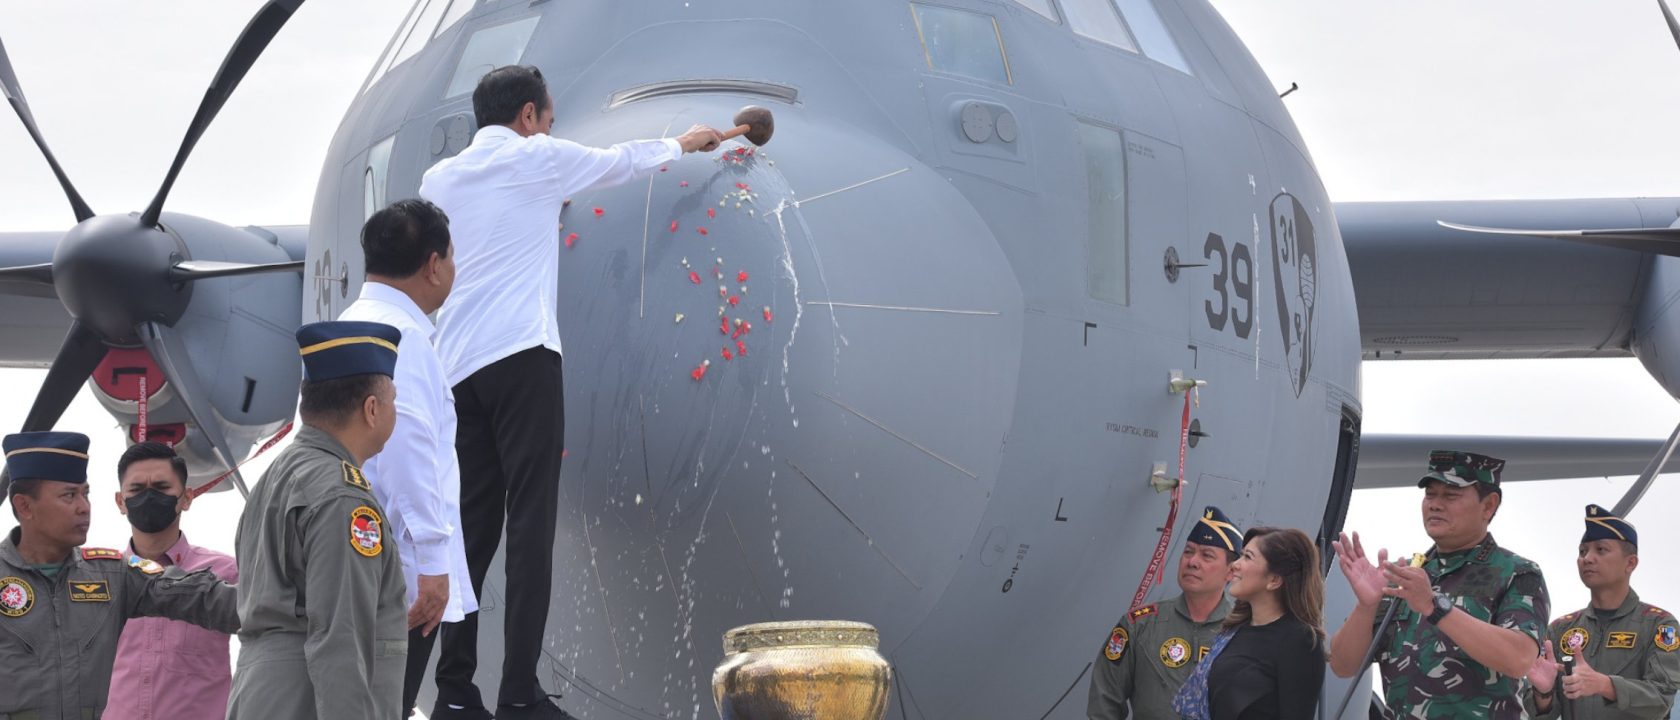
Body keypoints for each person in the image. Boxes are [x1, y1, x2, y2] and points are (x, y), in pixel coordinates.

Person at [417, 64, 724, 720]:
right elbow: (621, 162)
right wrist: (686, 143)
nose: (548, 127)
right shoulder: (540, 159)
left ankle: (453, 691)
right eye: (548, 117)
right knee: (531, 524)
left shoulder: (438, 180)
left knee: (469, 532)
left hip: (457, 369)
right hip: (522, 358)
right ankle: (521, 692)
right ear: (528, 116)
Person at [226, 321, 408, 720]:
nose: (397, 409)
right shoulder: (343, 497)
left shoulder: (278, 476)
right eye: (394, 398)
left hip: (260, 695)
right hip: (305, 702)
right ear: (372, 410)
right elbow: (339, 639)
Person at [339, 197, 478, 717]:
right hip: (400, 569)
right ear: (434, 265)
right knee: (385, 705)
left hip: (356, 555)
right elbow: (407, 453)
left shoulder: (350, 322)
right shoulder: (407, 342)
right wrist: (434, 566)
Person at [0, 431, 239, 719]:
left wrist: (287, 597)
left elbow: (197, 596)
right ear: (25, 506)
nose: (84, 507)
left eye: (86, 494)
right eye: (69, 495)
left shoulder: (111, 575)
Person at [1329, 450, 1550, 719]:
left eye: (1451, 495)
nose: (1435, 504)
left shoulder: (1517, 572)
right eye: (1430, 495)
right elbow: (1342, 665)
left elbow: (1519, 659)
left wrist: (1435, 607)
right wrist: (1366, 606)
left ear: (1489, 505)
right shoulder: (1403, 574)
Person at [106, 441, 239, 720]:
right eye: (137, 489)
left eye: (162, 488)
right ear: (121, 501)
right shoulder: (101, 579)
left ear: (187, 498)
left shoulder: (226, 573)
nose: (149, 497)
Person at [1087, 506, 1245, 720]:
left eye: (1207, 555)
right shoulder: (1140, 625)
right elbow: (1104, 700)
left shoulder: (1245, 631)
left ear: (1230, 571)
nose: (1192, 562)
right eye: (1188, 551)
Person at [1524, 504, 1679, 719]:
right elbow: (1541, 714)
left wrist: (1605, 685)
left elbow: (1661, 699)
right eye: (1582, 551)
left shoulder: (1659, 625)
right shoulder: (1560, 630)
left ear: (1630, 563)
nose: (1587, 558)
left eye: (1601, 549)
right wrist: (1544, 693)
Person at [1171, 527, 1326, 720]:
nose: (1235, 564)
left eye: (1247, 557)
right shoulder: (1234, 631)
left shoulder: (1299, 640)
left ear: (1274, 580)